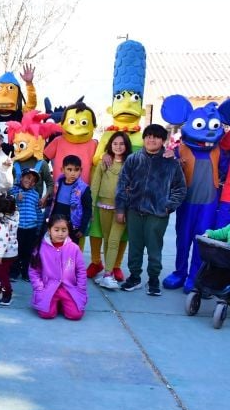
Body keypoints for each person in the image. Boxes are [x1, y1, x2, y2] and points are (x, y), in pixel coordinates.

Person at [115, 124, 186, 296]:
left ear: (163, 140)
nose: (151, 140)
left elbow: (180, 189)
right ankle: (134, 277)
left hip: (158, 214)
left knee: (154, 249)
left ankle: (153, 279)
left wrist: (168, 206)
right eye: (148, 136)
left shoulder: (171, 163)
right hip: (134, 211)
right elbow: (122, 184)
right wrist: (121, 209)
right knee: (135, 247)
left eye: (155, 137)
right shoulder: (133, 159)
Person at [91, 132, 133, 290]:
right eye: (115, 143)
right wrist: (92, 207)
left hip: (122, 209)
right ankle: (106, 274)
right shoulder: (105, 162)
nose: (118, 147)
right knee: (108, 240)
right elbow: (95, 185)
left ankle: (108, 274)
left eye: (122, 144)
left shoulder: (131, 163)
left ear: (126, 145)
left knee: (115, 240)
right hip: (103, 206)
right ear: (110, 145)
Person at [29, 215, 87, 319]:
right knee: (47, 314)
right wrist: (39, 288)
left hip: (69, 289)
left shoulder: (74, 248)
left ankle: (62, 303)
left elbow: (81, 270)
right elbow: (34, 271)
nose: (60, 233)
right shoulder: (40, 248)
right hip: (48, 288)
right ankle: (55, 303)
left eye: (64, 230)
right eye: (56, 230)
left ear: (68, 230)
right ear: (49, 230)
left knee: (75, 315)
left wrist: (80, 288)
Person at [49, 155, 92, 245]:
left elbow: (88, 209)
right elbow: (55, 201)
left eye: (76, 170)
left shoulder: (83, 188)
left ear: (81, 170)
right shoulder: (58, 183)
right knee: (55, 247)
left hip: (73, 227)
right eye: (69, 169)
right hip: (57, 223)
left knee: (70, 250)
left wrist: (82, 228)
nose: (73, 173)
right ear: (62, 169)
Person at [11, 168, 41, 281]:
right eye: (28, 177)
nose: (30, 181)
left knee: (28, 252)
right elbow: (7, 204)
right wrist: (15, 198)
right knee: (15, 250)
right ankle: (14, 271)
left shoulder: (35, 194)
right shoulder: (13, 190)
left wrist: (39, 227)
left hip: (31, 228)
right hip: (17, 228)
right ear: (21, 178)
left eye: (33, 180)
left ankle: (26, 272)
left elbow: (38, 211)